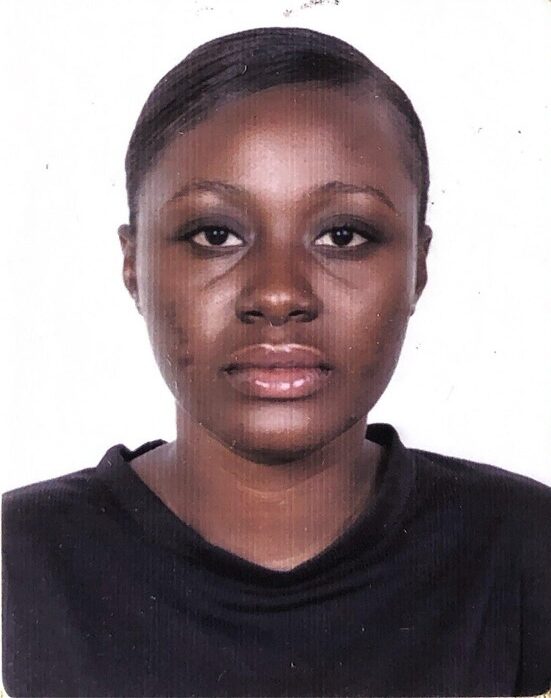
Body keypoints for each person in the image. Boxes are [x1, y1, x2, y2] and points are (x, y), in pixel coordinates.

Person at [2, 26, 550, 698]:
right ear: (134, 265)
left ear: (417, 266)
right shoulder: (18, 560)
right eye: (215, 235)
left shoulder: (526, 551)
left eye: (343, 235)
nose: (278, 294)